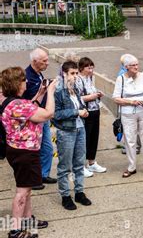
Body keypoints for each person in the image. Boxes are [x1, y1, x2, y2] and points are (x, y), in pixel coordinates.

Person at [0, 67, 57, 238]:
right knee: (22, 192)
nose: (26, 83)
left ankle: (27, 219)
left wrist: (40, 93)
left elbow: (30, 108)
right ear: (18, 84)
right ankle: (15, 231)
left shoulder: (11, 102)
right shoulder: (19, 105)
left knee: (27, 187)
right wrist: (51, 92)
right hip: (25, 152)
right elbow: (47, 114)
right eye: (24, 81)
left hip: (17, 150)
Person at [53, 61, 92, 210]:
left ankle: (79, 192)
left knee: (79, 163)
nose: (75, 76)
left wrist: (83, 111)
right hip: (66, 131)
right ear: (64, 74)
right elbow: (55, 114)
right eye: (72, 74)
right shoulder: (58, 90)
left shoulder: (74, 87)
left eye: (76, 73)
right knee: (65, 166)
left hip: (80, 128)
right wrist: (76, 112)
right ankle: (65, 196)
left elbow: (79, 104)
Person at [113, 55, 143, 178]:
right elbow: (115, 98)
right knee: (130, 140)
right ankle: (131, 167)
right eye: (133, 65)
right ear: (126, 67)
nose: (136, 67)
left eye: (137, 64)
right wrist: (131, 102)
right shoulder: (120, 79)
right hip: (128, 113)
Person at [23, 48, 56, 190]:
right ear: (35, 61)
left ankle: (43, 174)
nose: (47, 63)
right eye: (44, 61)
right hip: (33, 119)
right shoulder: (26, 77)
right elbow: (24, 103)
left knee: (47, 148)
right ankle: (33, 179)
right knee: (34, 150)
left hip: (43, 116)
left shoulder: (38, 74)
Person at [77, 57, 106, 176]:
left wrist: (98, 94)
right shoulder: (78, 80)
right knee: (85, 139)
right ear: (82, 68)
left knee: (94, 137)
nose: (91, 69)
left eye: (92, 67)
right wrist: (93, 96)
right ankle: (81, 165)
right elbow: (78, 98)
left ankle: (92, 162)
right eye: (88, 67)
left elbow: (92, 92)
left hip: (95, 110)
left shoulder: (90, 78)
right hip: (86, 112)